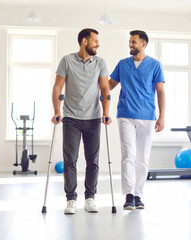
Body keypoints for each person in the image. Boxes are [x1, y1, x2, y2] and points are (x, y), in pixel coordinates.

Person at [52, 28, 112, 214]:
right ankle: (71, 200)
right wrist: (56, 111)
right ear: (84, 41)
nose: (98, 44)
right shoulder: (67, 61)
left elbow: (104, 89)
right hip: (71, 118)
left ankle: (90, 198)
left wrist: (105, 112)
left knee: (92, 161)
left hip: (93, 118)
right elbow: (57, 87)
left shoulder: (100, 63)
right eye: (95, 41)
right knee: (70, 160)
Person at [108, 30, 165, 210]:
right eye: (130, 42)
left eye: (133, 42)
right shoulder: (123, 64)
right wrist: (92, 88)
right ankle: (129, 195)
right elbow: (109, 85)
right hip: (125, 114)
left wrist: (162, 116)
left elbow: (161, 91)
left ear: (143, 44)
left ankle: (139, 194)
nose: (130, 45)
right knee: (128, 155)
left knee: (142, 158)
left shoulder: (155, 65)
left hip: (147, 117)